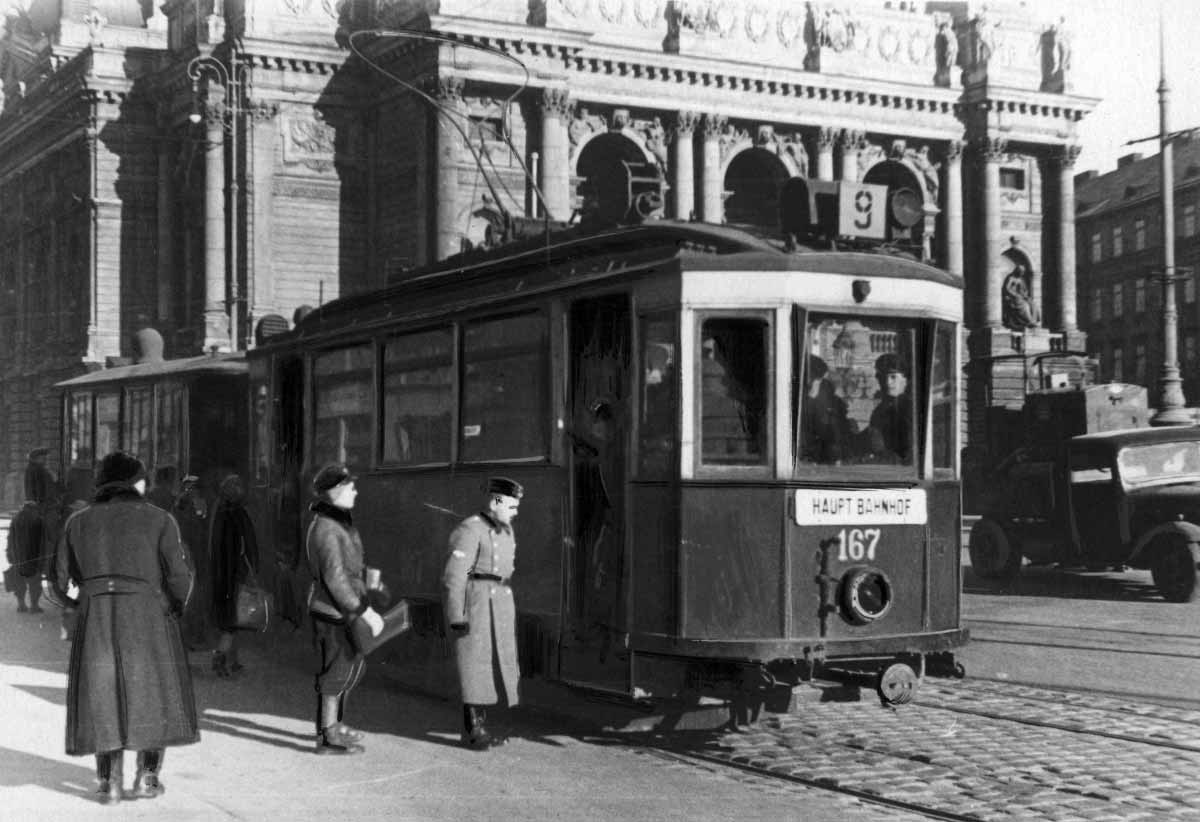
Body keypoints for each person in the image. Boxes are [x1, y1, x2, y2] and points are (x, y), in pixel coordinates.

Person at [44, 450, 197, 804]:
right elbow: (179, 577)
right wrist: (174, 607)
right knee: (151, 693)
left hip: (96, 615)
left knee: (102, 695)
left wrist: (79, 603)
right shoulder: (161, 520)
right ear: (134, 482)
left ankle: (109, 783)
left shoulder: (78, 522)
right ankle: (147, 777)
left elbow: (58, 581)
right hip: (148, 615)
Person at [305, 463, 385, 755]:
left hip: (340, 609)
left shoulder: (338, 524)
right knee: (336, 672)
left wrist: (370, 582)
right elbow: (335, 579)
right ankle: (327, 735)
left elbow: (348, 568)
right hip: (333, 611)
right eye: (351, 487)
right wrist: (365, 610)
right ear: (335, 491)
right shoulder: (328, 528)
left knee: (349, 667)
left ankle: (335, 726)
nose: (355, 492)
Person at [442, 477, 523, 750]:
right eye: (511, 506)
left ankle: (482, 724)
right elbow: (456, 575)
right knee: (473, 665)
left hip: (500, 602)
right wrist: (457, 614)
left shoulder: (506, 531)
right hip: (477, 603)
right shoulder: (470, 529)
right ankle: (472, 730)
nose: (515, 512)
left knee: (492, 666)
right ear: (495, 502)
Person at [209, 474, 259, 677]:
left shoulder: (219, 512)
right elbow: (250, 544)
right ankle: (220, 659)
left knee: (231, 619)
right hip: (235, 574)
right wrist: (253, 569)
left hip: (220, 574)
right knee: (232, 621)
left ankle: (233, 660)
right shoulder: (239, 513)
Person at [173, 476, 210, 650]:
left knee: (194, 596)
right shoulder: (181, 503)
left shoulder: (196, 503)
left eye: (192, 488)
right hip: (187, 552)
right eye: (188, 488)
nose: (190, 491)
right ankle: (187, 635)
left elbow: (202, 524)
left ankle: (193, 634)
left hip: (194, 553)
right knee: (190, 595)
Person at [800, 355, 852, 464]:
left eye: (820, 378)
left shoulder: (826, 387)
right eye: (816, 379)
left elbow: (834, 416)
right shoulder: (801, 391)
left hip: (827, 445)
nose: (817, 382)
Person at [866, 353, 913, 463]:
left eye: (893, 377)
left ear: (906, 379)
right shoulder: (878, 411)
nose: (887, 382)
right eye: (882, 377)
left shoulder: (910, 409)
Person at [6, 498, 46, 613]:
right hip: (33, 557)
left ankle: (21, 605)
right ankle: (34, 606)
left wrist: (9, 553)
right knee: (35, 583)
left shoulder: (15, 519)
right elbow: (42, 540)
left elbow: (10, 538)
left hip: (17, 557)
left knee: (19, 582)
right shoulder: (38, 520)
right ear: (33, 509)